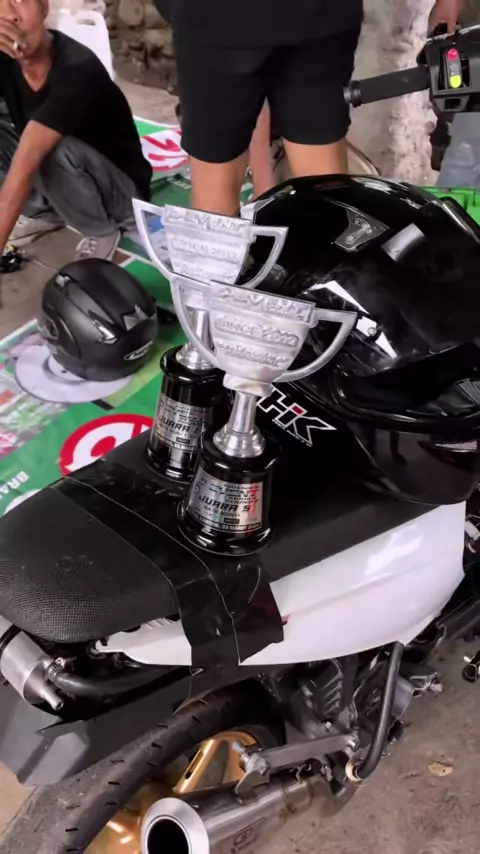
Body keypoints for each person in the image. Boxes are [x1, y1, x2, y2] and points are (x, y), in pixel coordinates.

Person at [167, 0, 465, 217]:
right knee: (323, 188)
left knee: (218, 193)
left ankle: (218, 280)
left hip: (220, 19)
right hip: (319, 18)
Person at [0, 0, 152, 260]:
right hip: (67, 178)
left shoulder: (77, 68)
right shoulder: (5, 61)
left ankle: (102, 232)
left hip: (121, 194)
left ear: (43, 7)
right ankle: (46, 212)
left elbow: (28, 158)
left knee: (46, 149)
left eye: (19, 0)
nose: (10, 16)